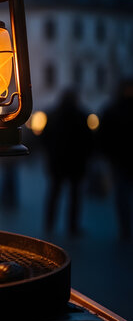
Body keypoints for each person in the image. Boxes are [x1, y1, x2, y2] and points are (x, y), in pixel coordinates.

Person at [40, 90, 94, 236]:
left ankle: (49, 224)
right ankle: (72, 226)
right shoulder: (81, 115)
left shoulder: (53, 115)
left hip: (57, 163)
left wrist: (50, 154)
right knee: (74, 196)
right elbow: (89, 140)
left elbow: (43, 138)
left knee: (54, 194)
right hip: (76, 163)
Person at [97, 79, 133, 240]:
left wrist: (106, 152)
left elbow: (102, 136)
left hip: (118, 158)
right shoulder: (112, 110)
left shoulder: (111, 110)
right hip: (119, 158)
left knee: (122, 193)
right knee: (122, 193)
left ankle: (125, 227)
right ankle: (125, 227)